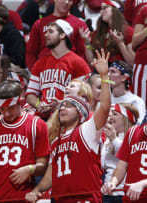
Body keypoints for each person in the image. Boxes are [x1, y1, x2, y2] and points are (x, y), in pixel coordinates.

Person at [25, 49, 111, 203]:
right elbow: (51, 175)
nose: (63, 108)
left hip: (85, 198)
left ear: (80, 112)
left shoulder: (87, 130)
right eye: (61, 106)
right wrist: (36, 190)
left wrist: (104, 76)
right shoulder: (55, 139)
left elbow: (104, 107)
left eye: (69, 106)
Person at [26, 19, 91, 120]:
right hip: (43, 118)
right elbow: (30, 93)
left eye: (51, 32)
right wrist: (39, 104)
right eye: (46, 32)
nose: (46, 35)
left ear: (62, 35)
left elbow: (86, 96)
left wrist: (61, 104)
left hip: (68, 117)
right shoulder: (40, 63)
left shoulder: (79, 63)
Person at [26, 0, 88, 70]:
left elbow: (82, 53)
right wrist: (34, 71)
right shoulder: (39, 24)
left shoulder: (80, 25)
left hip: (69, 71)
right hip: (43, 71)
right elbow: (31, 52)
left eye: (70, 0)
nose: (67, 2)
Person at [102, 103, 139, 203]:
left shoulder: (135, 136)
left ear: (125, 118)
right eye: (109, 113)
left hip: (124, 193)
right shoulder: (108, 138)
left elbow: (130, 157)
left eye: (114, 114)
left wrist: (114, 140)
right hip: (108, 191)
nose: (110, 116)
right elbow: (103, 165)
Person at [80, 0, 135, 65]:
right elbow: (92, 62)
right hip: (100, 72)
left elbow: (132, 62)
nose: (101, 12)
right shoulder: (97, 33)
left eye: (105, 8)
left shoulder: (128, 31)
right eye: (101, 9)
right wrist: (87, 43)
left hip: (120, 71)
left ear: (116, 10)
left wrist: (120, 44)